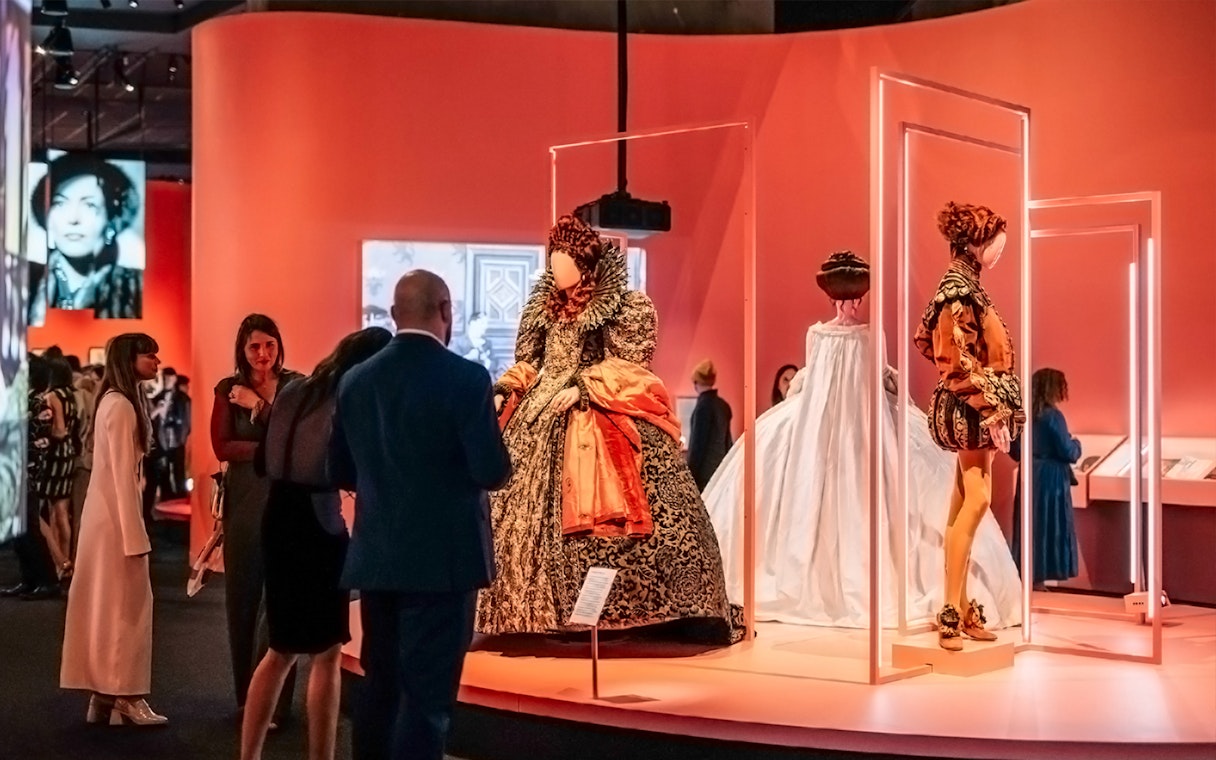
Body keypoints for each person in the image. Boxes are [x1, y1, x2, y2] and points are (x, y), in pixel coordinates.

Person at [702, 251, 1020, 629]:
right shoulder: (865, 335)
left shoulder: (823, 334)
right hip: (851, 422)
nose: (850, 305)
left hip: (831, 423)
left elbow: (815, 380)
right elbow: (873, 376)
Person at [481, 215, 738, 641]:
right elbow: (530, 361)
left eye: (562, 260)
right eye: (552, 260)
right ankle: (523, 613)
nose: (555, 268)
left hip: (594, 409)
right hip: (538, 412)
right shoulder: (542, 306)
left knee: (619, 498)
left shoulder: (622, 306)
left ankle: (622, 611)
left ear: (583, 264)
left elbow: (629, 366)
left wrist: (584, 387)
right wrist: (506, 389)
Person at [329, 271, 511, 760]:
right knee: (427, 703)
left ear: (394, 315)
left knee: (380, 688)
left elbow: (339, 467)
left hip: (378, 560)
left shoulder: (354, 380)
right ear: (446, 310)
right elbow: (491, 471)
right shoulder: (467, 379)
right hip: (444, 566)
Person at [240, 327, 391, 760]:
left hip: (277, 515)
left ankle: (247, 755)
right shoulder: (349, 397)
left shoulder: (293, 389)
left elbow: (262, 459)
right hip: (319, 523)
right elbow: (346, 470)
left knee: (279, 649)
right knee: (326, 653)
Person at [914, 202, 1026, 651]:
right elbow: (952, 360)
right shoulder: (957, 289)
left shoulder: (965, 286)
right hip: (973, 411)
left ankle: (959, 606)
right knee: (976, 499)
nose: (1000, 247)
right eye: (994, 239)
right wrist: (993, 409)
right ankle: (950, 610)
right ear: (975, 241)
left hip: (977, 408)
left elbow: (935, 344)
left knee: (964, 500)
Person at [61, 333, 166, 726]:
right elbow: (125, 478)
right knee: (129, 608)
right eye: (148, 354)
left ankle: (103, 697)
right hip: (116, 524)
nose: (156, 360)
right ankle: (127, 695)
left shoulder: (113, 402)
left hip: (103, 520)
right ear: (129, 359)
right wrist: (135, 536)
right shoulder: (120, 406)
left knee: (107, 608)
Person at [211, 314, 302, 724]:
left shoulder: (297, 386)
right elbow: (222, 447)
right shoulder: (227, 390)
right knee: (243, 602)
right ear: (242, 350)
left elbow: (300, 440)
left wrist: (260, 409)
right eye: (254, 347)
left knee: (282, 603)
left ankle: (278, 706)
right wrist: (271, 448)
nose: (263, 354)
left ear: (279, 345)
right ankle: (248, 701)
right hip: (244, 506)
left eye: (270, 345)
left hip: (287, 504)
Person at [27, 153, 143, 324]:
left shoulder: (135, 287)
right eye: (60, 203)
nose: (73, 218)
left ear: (110, 220)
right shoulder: (25, 283)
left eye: (89, 205)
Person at [1011, 368, 1081, 588]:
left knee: (1030, 524)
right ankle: (1040, 577)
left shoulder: (1023, 416)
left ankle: (1030, 575)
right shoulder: (1052, 416)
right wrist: (1077, 444)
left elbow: (1014, 449)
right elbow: (1067, 451)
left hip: (1029, 473)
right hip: (1051, 479)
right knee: (1049, 525)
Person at [0, 355, 60, 600]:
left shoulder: (38, 403)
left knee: (30, 530)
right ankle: (30, 579)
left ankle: (47, 581)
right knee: (19, 532)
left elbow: (40, 443)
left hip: (25, 473)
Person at [38, 355, 80, 579]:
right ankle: (65, 560)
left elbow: (60, 430)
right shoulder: (71, 395)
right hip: (69, 453)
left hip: (56, 454)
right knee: (63, 510)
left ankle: (60, 562)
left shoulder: (52, 395)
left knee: (55, 512)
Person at [686, 359, 732, 491]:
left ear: (696, 382)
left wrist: (690, 476)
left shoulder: (703, 407)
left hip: (704, 476)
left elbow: (697, 445)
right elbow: (727, 442)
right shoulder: (723, 405)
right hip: (721, 471)